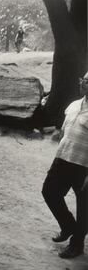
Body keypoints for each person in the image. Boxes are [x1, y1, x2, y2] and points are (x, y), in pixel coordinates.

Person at [42, 72, 88, 258]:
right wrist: (58, 155)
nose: (83, 83)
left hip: (84, 167)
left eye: (87, 81)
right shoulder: (74, 105)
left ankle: (77, 246)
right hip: (62, 160)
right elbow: (64, 132)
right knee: (49, 192)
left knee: (84, 208)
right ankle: (68, 226)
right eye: (82, 80)